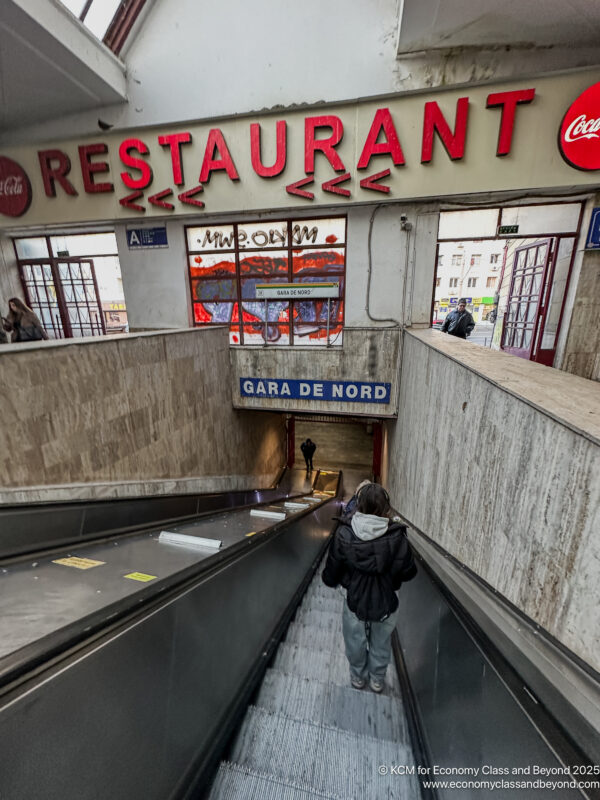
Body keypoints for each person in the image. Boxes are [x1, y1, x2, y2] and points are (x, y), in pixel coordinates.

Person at [322, 482, 417, 693]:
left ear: (358, 505)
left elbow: (332, 571)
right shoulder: (398, 537)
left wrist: (333, 579)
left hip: (353, 598)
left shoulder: (344, 533)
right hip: (387, 599)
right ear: (386, 508)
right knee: (381, 643)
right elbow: (409, 572)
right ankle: (377, 680)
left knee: (354, 640)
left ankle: (358, 677)